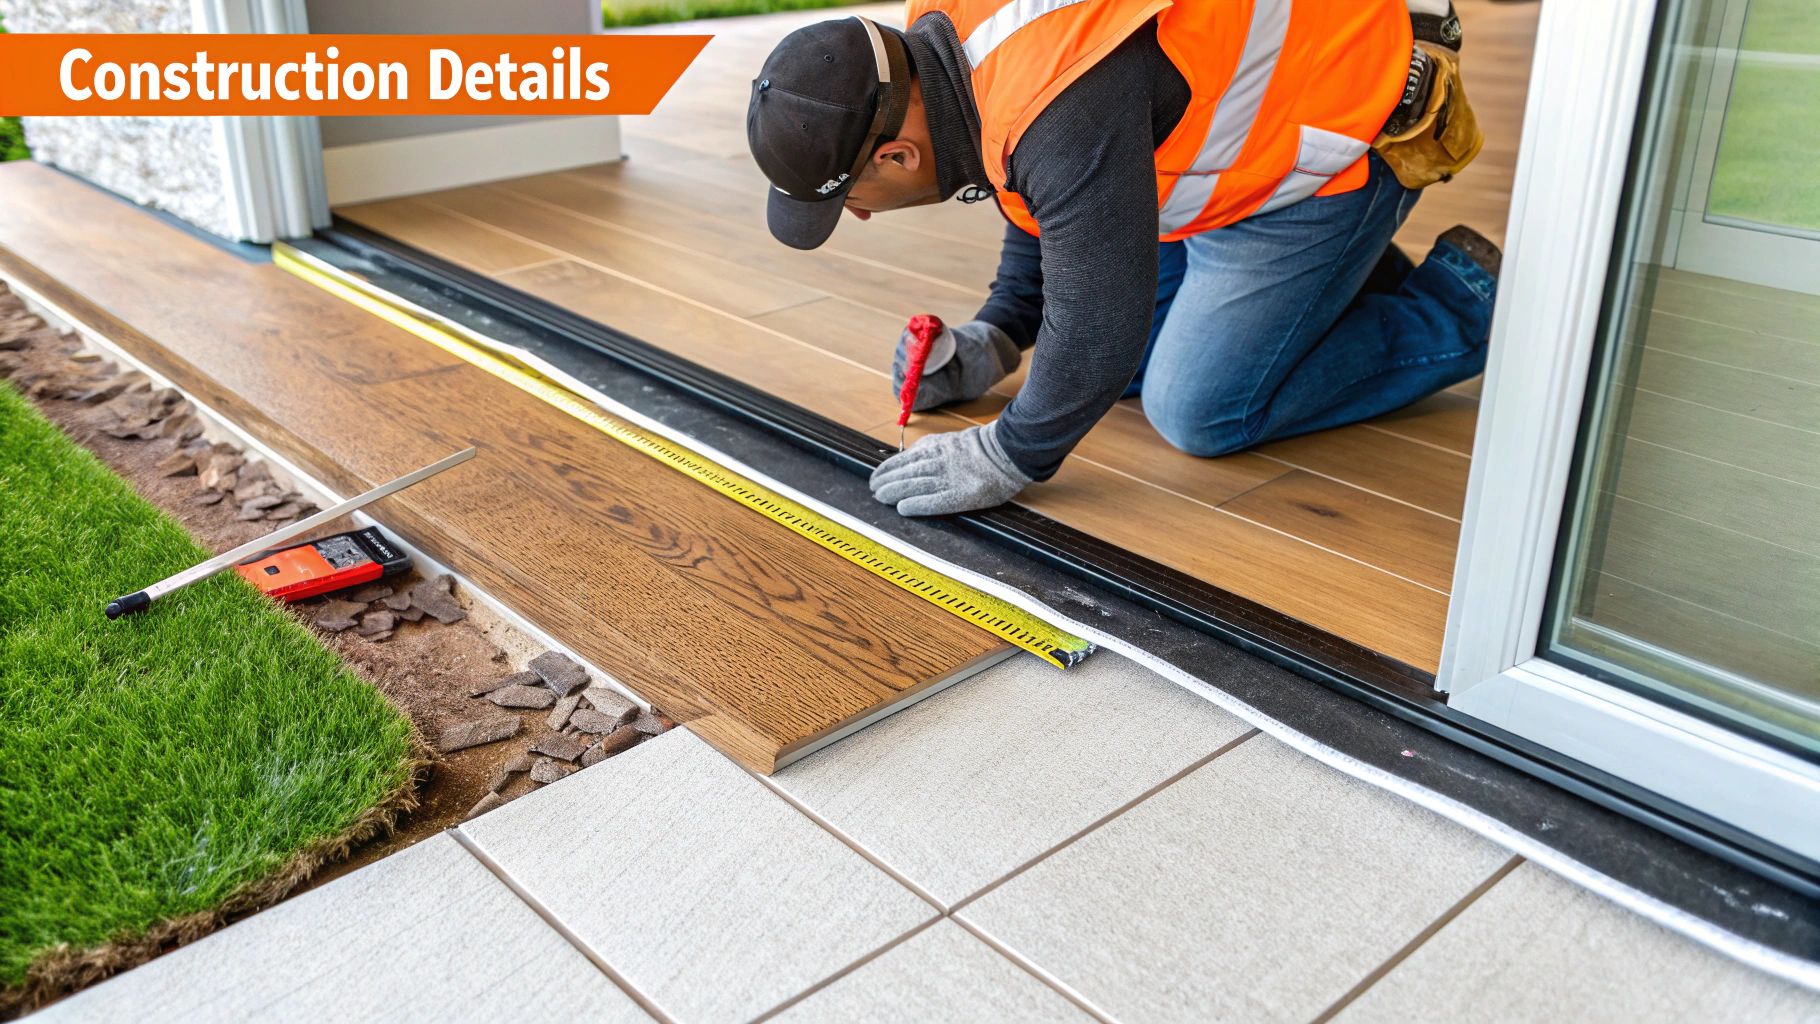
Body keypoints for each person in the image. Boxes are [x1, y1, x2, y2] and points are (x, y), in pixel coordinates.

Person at [746, 0, 1499, 516]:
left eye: (851, 199)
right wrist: (1001, 333)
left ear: (900, 153)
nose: (866, 213)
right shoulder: (944, 42)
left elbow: (1096, 303)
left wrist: (1013, 452)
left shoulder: (1056, 106)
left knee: (1197, 408)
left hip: (1352, 118)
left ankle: (1472, 302)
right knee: (1117, 370)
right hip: (1247, 134)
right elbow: (1039, 185)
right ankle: (1338, 280)